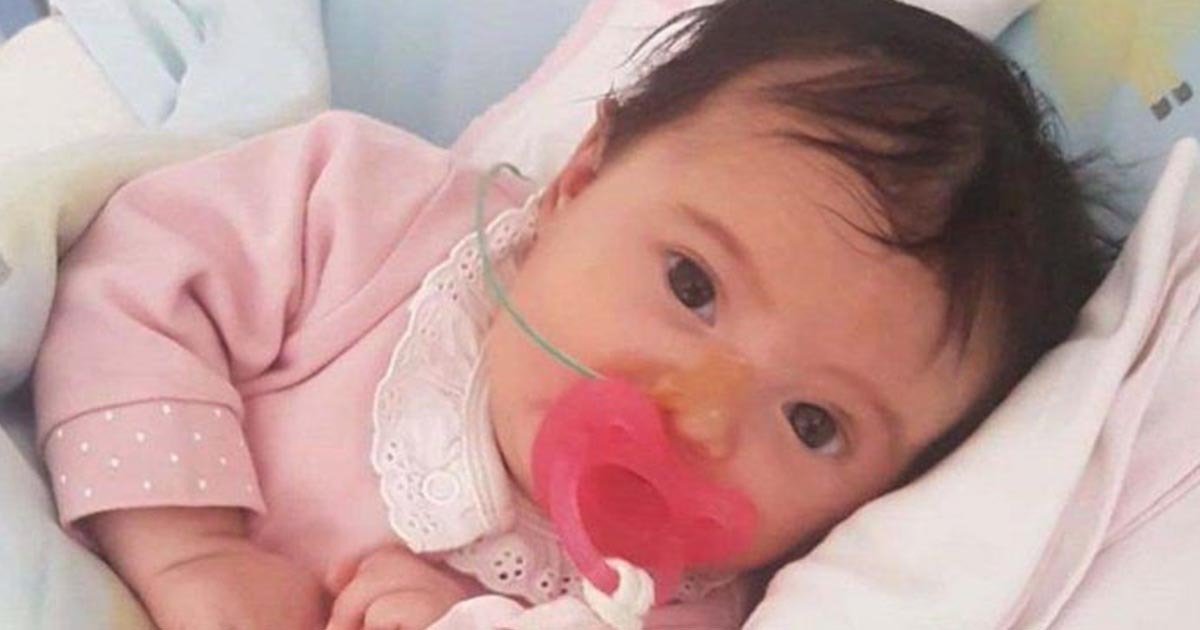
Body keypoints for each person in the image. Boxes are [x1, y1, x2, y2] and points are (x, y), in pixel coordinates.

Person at [32, 0, 1105, 627]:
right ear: (580, 181)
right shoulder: (364, 211)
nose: (697, 414)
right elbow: (136, 274)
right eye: (692, 286)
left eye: (813, 422)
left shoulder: (688, 605)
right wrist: (186, 550)